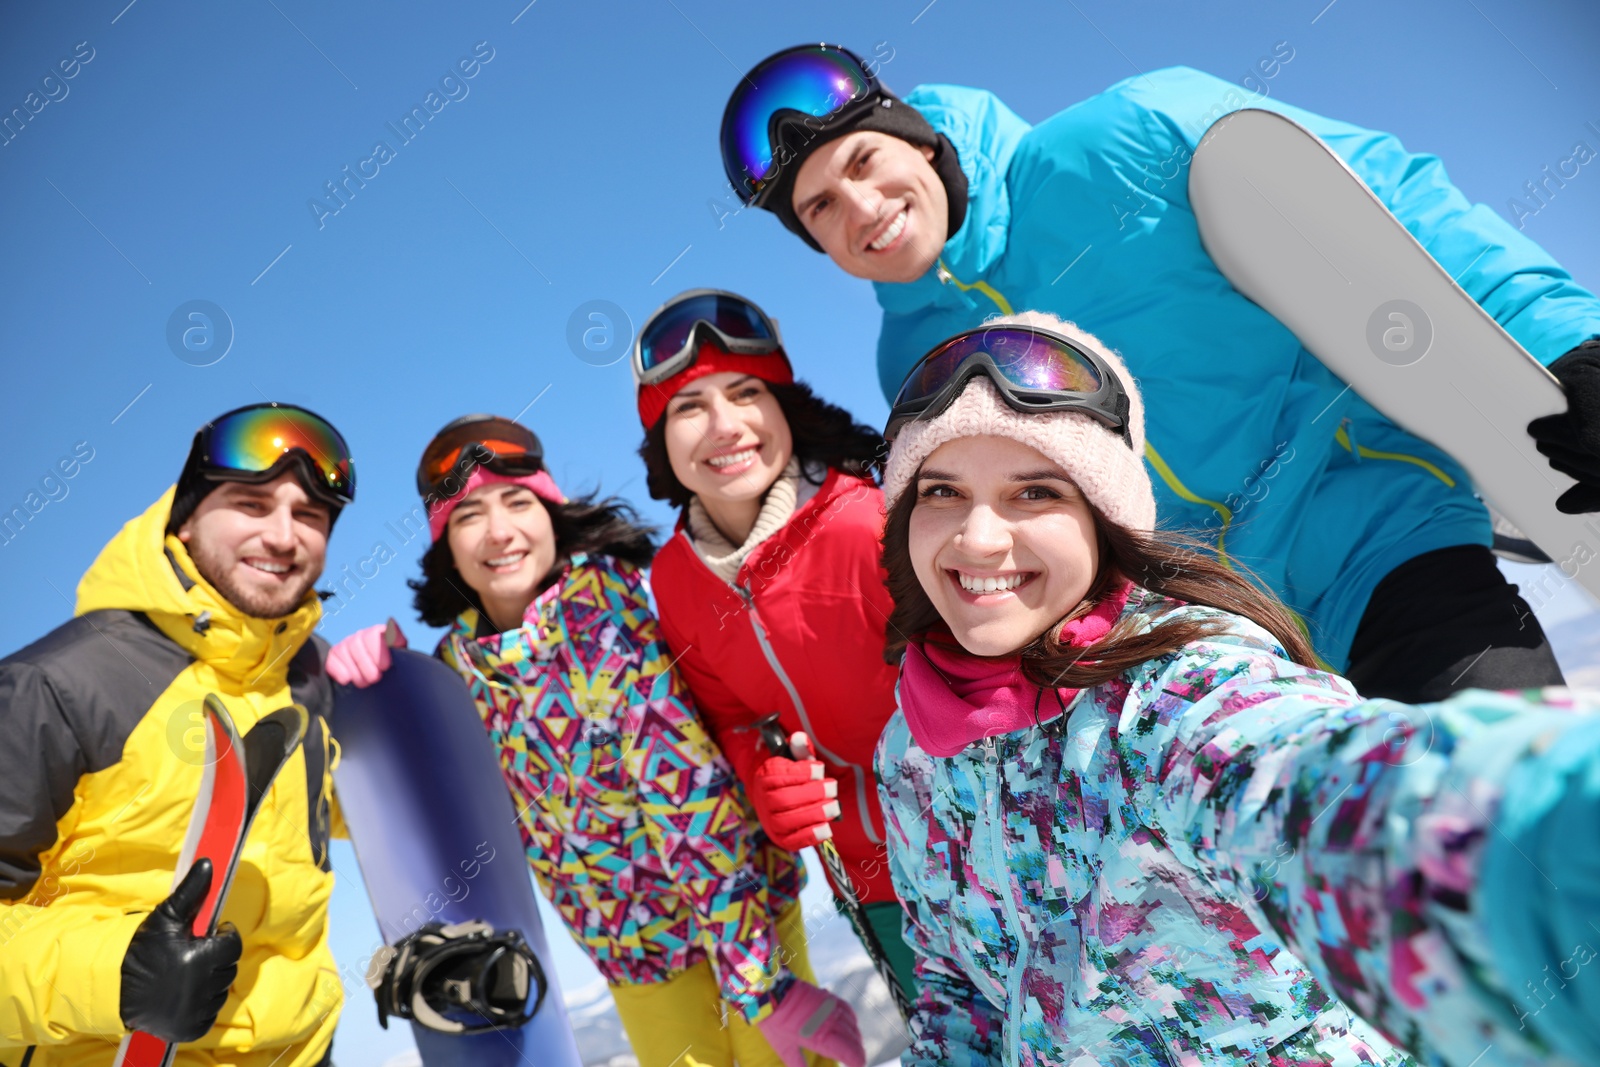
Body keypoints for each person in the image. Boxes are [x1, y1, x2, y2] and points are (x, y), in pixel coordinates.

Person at [717, 44, 1600, 702]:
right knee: (1386, 922)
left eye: (865, 163)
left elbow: (1389, 204)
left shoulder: (1123, 138)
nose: (861, 211)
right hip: (1219, 645)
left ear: (921, 139)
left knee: (1515, 826)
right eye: (820, 208)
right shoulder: (914, 365)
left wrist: (1564, 341)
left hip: (1376, 533)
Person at [872, 312, 1600, 1067]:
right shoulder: (913, 747)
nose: (979, 538)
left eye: (1033, 493)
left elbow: (1322, 787)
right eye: (943, 491)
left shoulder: (1175, 691)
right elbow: (958, 986)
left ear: (1102, 520)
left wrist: (1552, 831)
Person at [326, 414, 863, 1067]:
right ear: (447, 545)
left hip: (740, 925)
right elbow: (420, 816)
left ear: (552, 514)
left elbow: (689, 799)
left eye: (518, 503)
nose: (499, 531)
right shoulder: (457, 671)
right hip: (633, 958)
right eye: (468, 515)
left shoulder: (602, 610)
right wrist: (390, 697)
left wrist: (762, 987)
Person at [0, 402, 356, 1067]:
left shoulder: (306, 685)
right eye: (252, 505)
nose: (284, 536)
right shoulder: (58, 684)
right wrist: (118, 976)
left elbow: (352, 823)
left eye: (309, 516)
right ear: (185, 519)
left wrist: (403, 699)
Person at [633, 289, 920, 1002]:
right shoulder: (674, 579)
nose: (724, 425)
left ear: (783, 405)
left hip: (986, 853)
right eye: (688, 407)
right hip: (868, 887)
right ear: (661, 441)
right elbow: (729, 715)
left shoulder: (870, 524)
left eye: (745, 392)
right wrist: (764, 777)